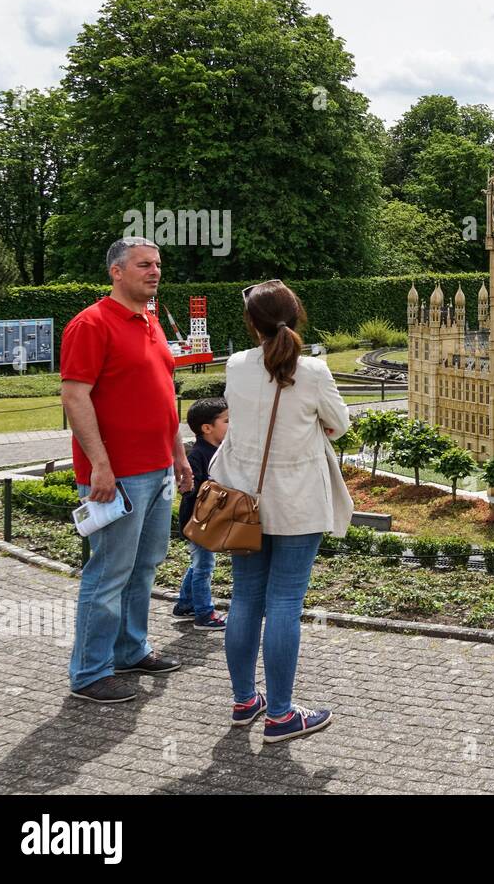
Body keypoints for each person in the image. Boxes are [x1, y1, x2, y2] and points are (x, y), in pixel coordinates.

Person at [210, 280, 352, 743]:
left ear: (251, 323)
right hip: (296, 501)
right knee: (285, 603)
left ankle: (245, 701)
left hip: (244, 499)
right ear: (298, 316)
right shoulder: (313, 370)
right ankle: (282, 715)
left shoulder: (236, 365)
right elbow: (340, 423)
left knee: (245, 599)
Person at [62, 237, 193, 703]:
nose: (155, 272)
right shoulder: (91, 324)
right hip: (116, 477)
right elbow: (75, 396)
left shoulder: (152, 322)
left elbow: (164, 397)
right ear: (117, 271)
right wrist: (99, 464)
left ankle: (130, 649)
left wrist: (178, 456)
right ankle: (89, 672)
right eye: (144, 265)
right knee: (108, 572)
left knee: (144, 567)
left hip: (157, 470)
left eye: (157, 264)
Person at [173, 398, 230, 630]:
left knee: (199, 563)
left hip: (209, 522)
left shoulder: (218, 451)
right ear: (207, 428)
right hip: (198, 523)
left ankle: (185, 604)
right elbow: (193, 490)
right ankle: (204, 614)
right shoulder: (198, 455)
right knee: (205, 566)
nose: (232, 425)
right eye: (227, 421)